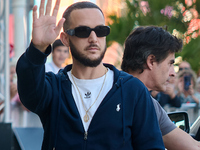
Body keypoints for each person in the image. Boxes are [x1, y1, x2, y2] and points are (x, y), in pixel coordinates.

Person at [16, 0, 164, 149]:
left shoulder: (132, 89)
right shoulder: (54, 88)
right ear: (65, 39)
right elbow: (30, 94)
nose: (93, 38)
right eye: (83, 31)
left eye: (100, 31)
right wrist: (38, 48)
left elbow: (151, 145)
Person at [121, 26, 200, 150]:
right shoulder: (114, 97)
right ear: (151, 61)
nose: (173, 73)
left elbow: (192, 146)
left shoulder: (151, 105)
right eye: (170, 63)